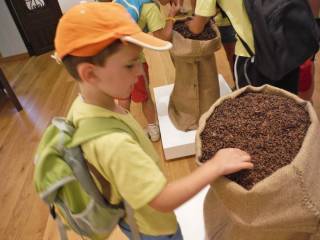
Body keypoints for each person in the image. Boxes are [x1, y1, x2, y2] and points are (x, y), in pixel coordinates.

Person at [53, 2, 253, 239]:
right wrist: (216, 165)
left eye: (139, 59)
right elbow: (163, 199)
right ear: (90, 73)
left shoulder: (85, 105)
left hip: (133, 212)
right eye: (129, 64)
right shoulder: (114, 144)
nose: (140, 72)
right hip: (154, 230)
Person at [186, 0, 301, 94]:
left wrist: (183, 21)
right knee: (287, 106)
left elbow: (197, 28)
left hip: (254, 58)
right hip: (288, 48)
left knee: (251, 111)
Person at [107, 0, 181, 142]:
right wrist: (171, 15)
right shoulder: (149, 8)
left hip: (113, 57)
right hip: (134, 61)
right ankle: (153, 129)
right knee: (144, 95)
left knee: (123, 97)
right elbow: (163, 37)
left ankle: (125, 131)